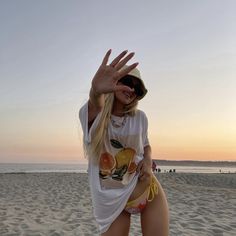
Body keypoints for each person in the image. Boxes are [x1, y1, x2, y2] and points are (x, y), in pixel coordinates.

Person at [79, 49, 169, 236]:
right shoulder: (95, 118)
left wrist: (147, 160)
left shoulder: (140, 118)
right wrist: (95, 91)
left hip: (147, 190)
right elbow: (96, 102)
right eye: (128, 82)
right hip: (112, 206)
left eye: (138, 88)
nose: (132, 90)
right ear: (114, 82)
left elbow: (145, 144)